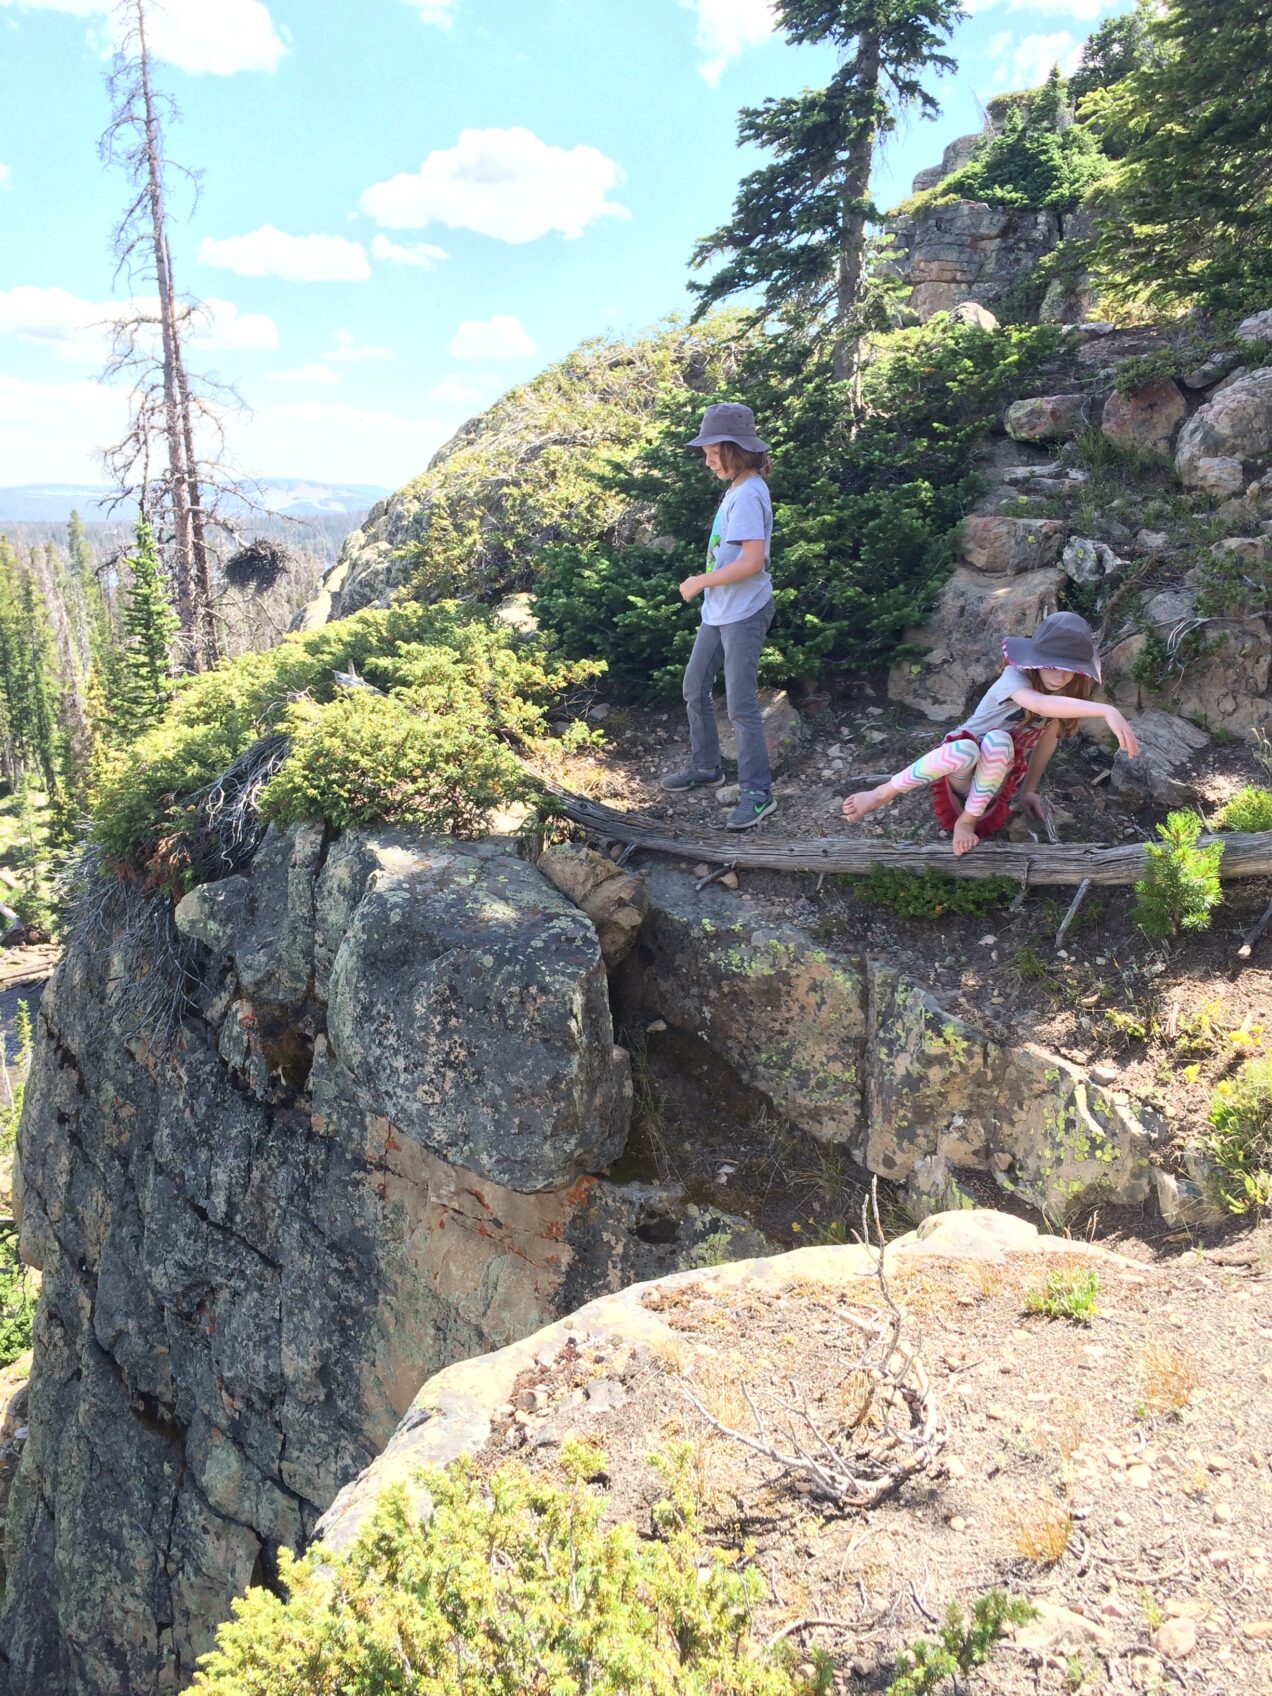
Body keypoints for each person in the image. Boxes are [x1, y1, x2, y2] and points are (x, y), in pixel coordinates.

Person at [841, 611, 1138, 856]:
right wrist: (1106, 710)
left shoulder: (1063, 698)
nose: (1060, 675)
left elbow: (1046, 742)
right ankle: (881, 793)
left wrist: (1028, 791)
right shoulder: (1014, 677)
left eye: (1068, 668)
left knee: (998, 743)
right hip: (960, 771)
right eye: (1051, 665)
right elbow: (1037, 704)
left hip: (995, 782)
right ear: (1035, 658)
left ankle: (967, 822)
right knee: (972, 746)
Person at [660, 402, 777, 831]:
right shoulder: (738, 488)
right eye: (706, 453)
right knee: (694, 687)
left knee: (742, 706)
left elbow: (752, 563)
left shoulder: (748, 494)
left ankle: (758, 793)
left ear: (735, 450)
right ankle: (707, 768)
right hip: (720, 610)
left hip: (744, 612)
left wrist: (699, 581)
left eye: (713, 452)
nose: (707, 461)